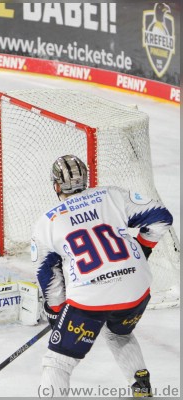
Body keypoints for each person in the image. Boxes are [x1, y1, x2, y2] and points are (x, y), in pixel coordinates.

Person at [32, 155, 173, 397]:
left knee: (58, 362)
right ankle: (141, 388)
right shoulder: (111, 195)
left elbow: (47, 274)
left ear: (56, 186)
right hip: (136, 289)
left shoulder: (46, 222)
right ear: (86, 179)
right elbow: (161, 217)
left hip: (90, 300)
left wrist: (56, 311)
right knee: (118, 333)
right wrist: (143, 249)